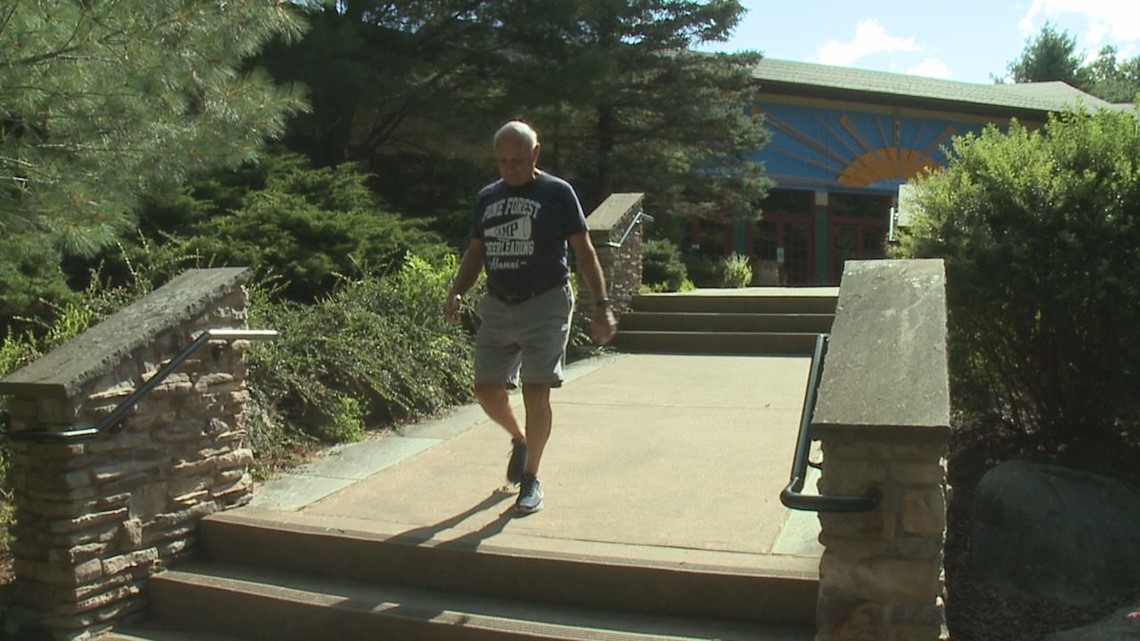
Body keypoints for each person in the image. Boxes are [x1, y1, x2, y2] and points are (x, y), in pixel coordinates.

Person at [443, 120, 617, 515]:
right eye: (502, 161)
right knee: (486, 388)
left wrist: (601, 305)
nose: (510, 168)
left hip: (546, 302)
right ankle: (519, 439)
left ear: (535, 155)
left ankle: (531, 478)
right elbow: (476, 251)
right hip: (499, 304)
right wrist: (457, 289)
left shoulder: (558, 192)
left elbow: (585, 251)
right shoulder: (488, 197)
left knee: (535, 389)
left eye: (518, 160)